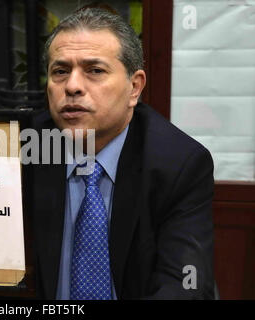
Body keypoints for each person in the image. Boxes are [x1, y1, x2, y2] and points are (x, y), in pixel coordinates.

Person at [31, 5, 215, 299]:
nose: (73, 86)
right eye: (60, 71)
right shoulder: (24, 150)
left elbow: (184, 284)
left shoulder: (178, 163)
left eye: (95, 70)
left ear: (134, 87)